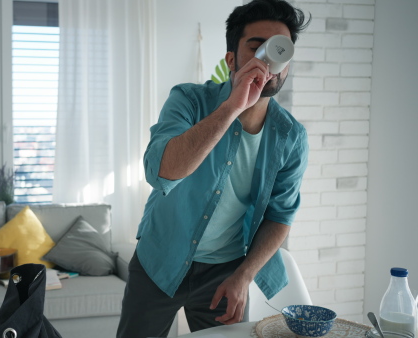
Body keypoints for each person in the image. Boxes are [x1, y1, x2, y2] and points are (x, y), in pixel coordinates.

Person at [116, 1, 312, 337]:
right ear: (231, 60)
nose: (271, 60)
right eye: (257, 46)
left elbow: (280, 217)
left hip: (227, 272)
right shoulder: (189, 100)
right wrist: (233, 106)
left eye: (280, 48)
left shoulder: (291, 137)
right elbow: (161, 171)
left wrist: (244, 275)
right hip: (160, 258)